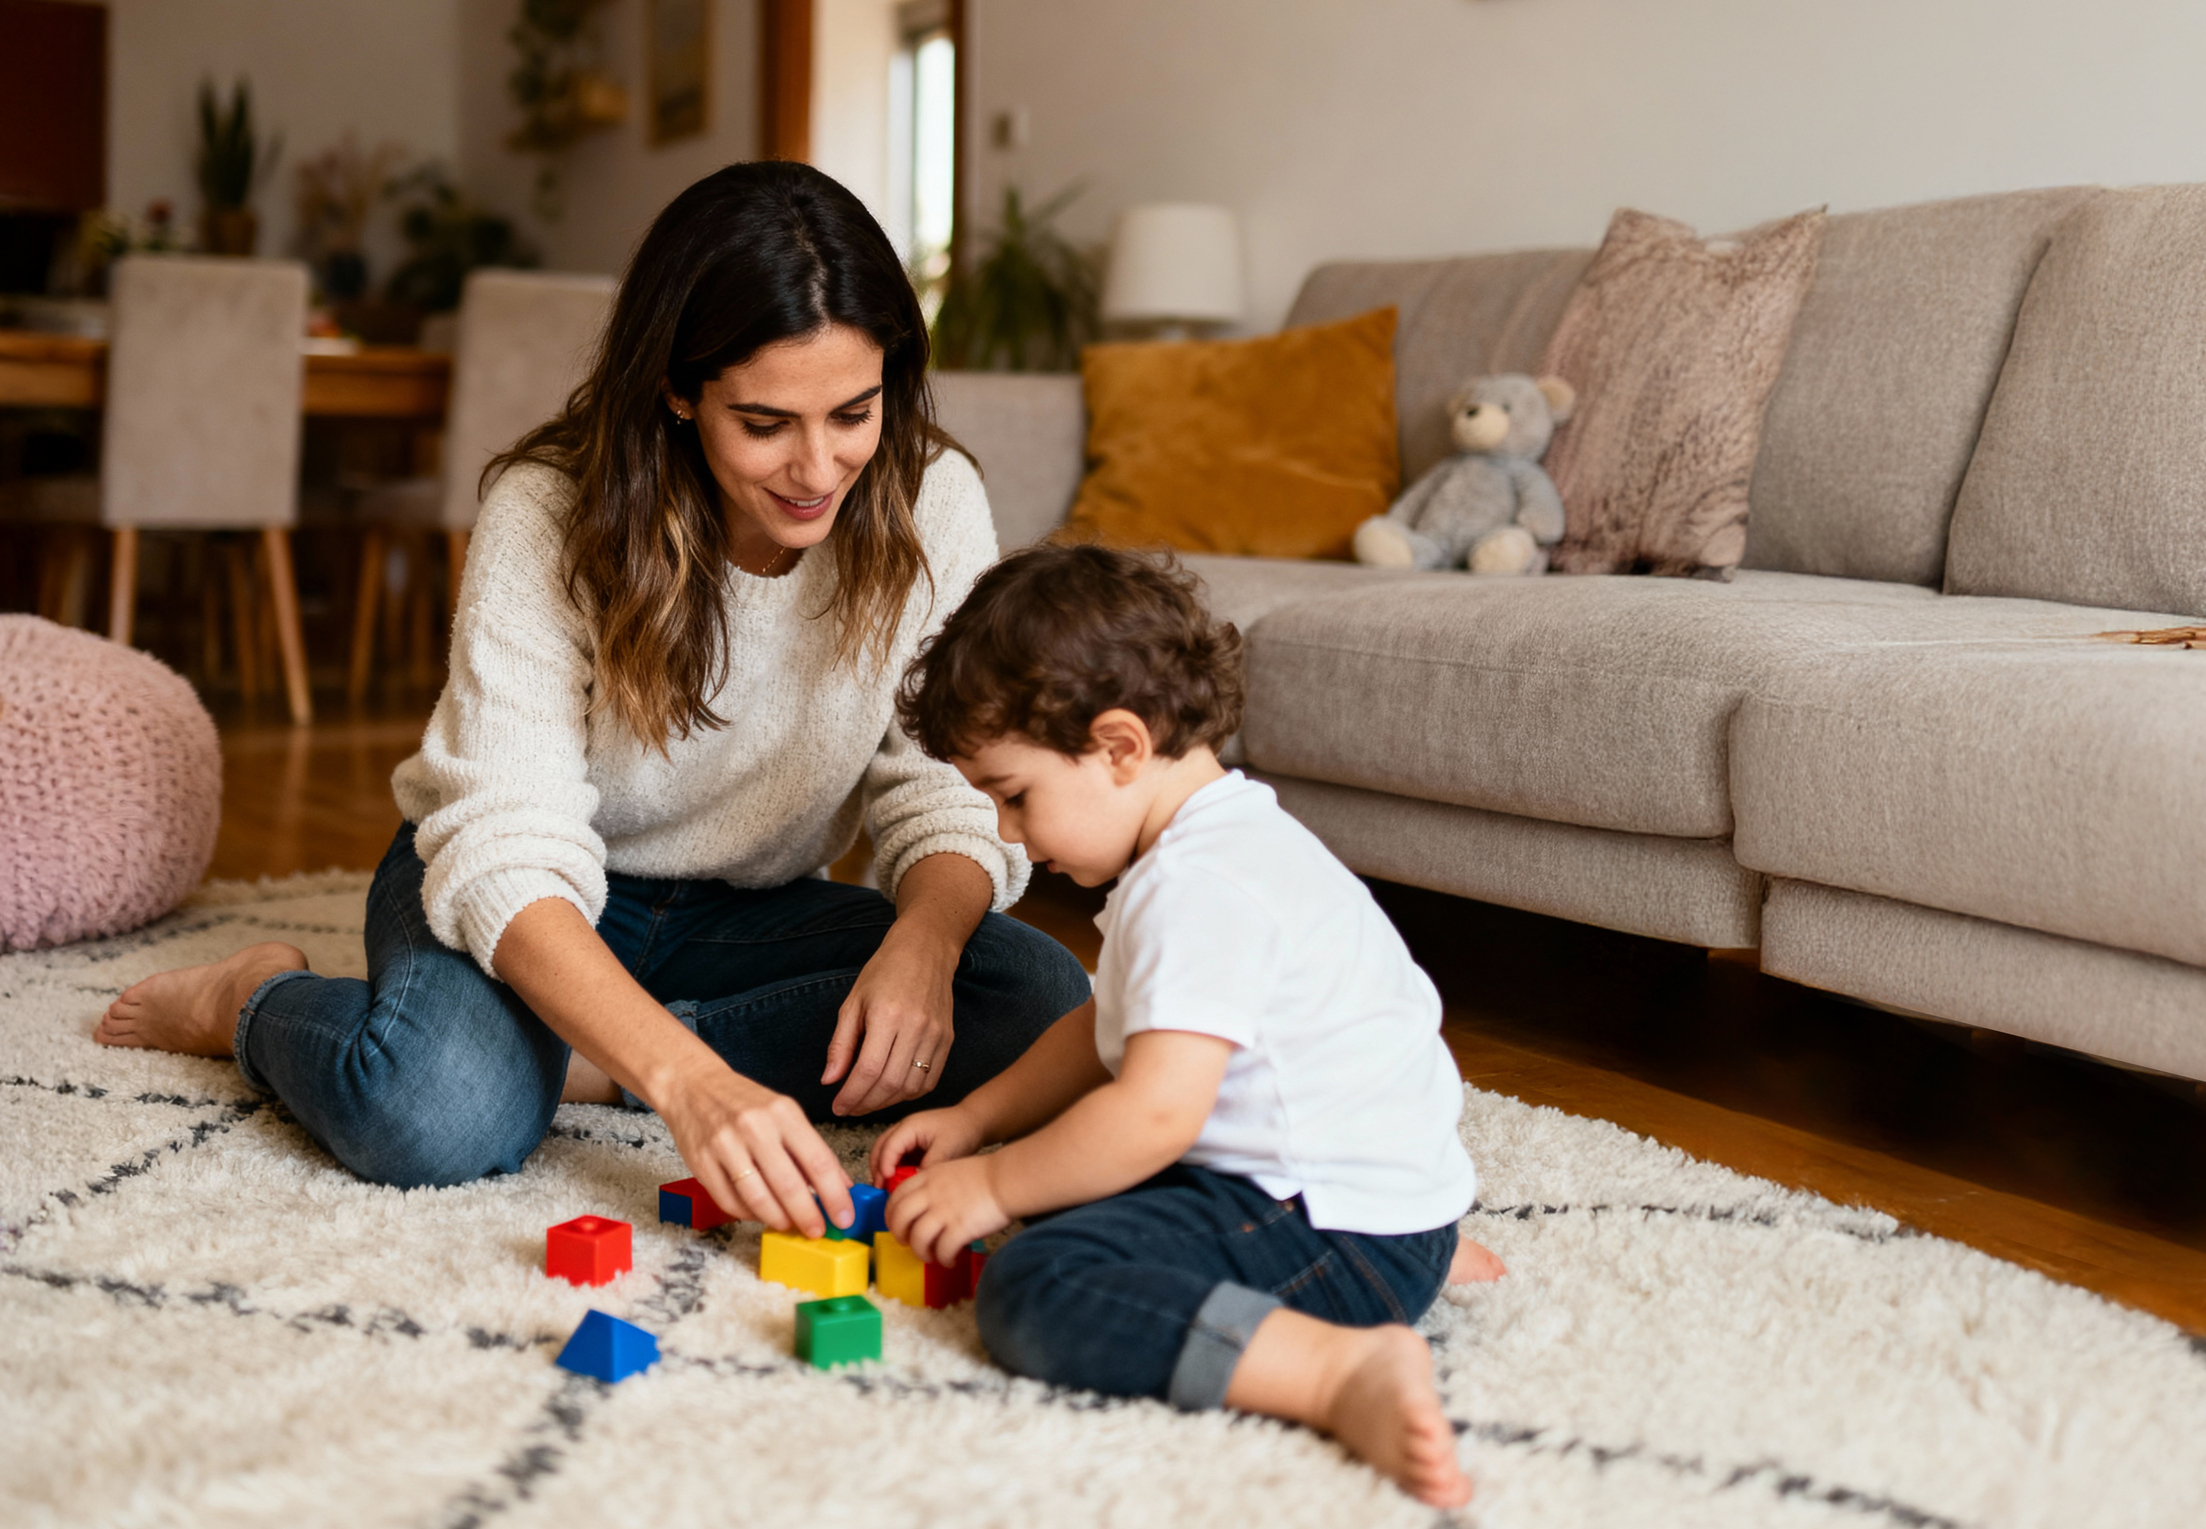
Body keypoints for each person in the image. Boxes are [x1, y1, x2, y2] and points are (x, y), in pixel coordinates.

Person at [95, 162, 1091, 1238]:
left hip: (744, 911)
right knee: (431, 1112)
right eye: (764, 423)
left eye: (854, 410)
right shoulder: (548, 511)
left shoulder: (929, 497)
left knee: (1040, 1004)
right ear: (677, 389)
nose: (819, 466)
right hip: (530, 891)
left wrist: (924, 946)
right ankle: (251, 1001)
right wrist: (689, 1085)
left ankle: (562, 1062)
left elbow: (942, 782)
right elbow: (505, 845)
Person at [872, 544, 1505, 1508]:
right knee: (1080, 1163)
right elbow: (1101, 1032)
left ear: (1120, 746)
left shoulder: (1194, 889)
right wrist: (980, 1120)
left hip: (1333, 1225)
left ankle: (1335, 1369)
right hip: (1374, 1197)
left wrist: (996, 1182)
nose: (1007, 834)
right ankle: (1405, 1244)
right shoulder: (1230, 837)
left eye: (1014, 795)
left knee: (1039, 1278)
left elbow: (1160, 1116)